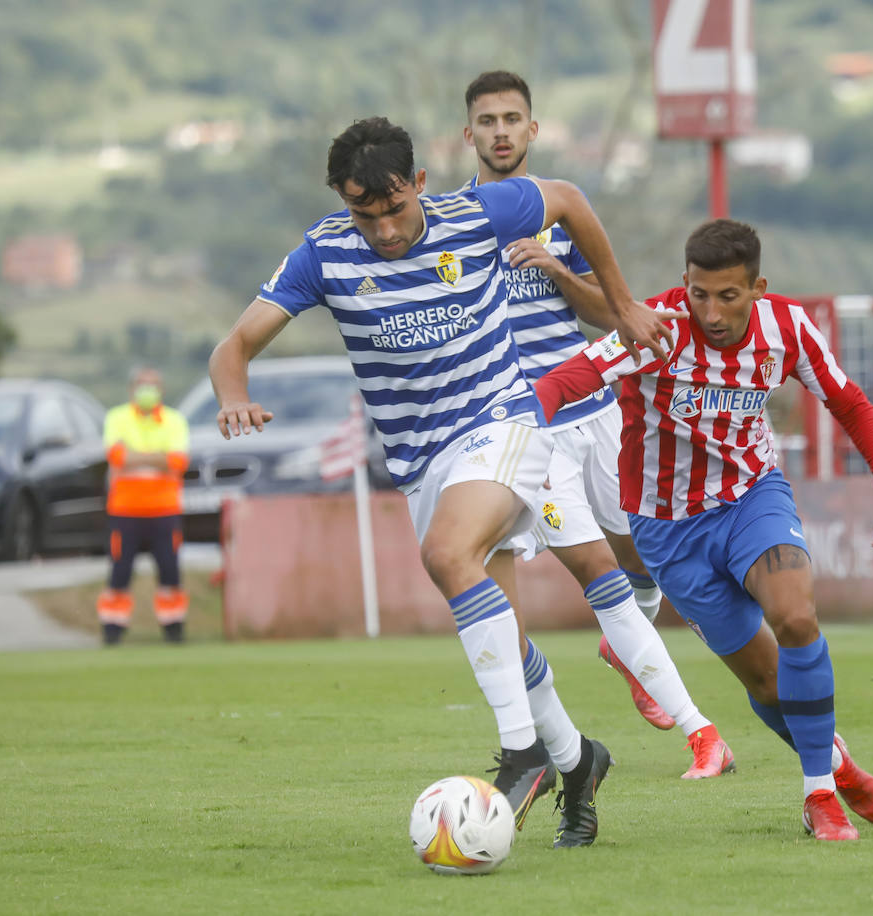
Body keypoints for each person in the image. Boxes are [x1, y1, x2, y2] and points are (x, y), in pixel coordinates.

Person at [207, 116, 676, 849]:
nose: (385, 229)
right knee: (504, 631)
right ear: (342, 200)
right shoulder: (324, 253)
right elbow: (234, 346)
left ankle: (521, 753)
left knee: (448, 555)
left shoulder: (477, 213)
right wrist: (233, 396)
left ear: (419, 183)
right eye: (366, 214)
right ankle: (577, 761)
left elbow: (572, 201)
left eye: (395, 208)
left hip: (506, 421)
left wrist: (619, 304)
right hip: (424, 462)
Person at [532, 219, 873, 841]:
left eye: (728, 296)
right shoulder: (655, 326)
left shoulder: (788, 328)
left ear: (758, 288)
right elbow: (568, 379)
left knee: (796, 618)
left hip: (751, 497)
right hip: (667, 529)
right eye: (698, 293)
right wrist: (521, 426)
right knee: (767, 680)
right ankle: (839, 765)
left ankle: (817, 796)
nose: (710, 312)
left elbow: (850, 402)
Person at [461, 70, 734, 779]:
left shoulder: (559, 214)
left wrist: (554, 266)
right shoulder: (454, 225)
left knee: (648, 561)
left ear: (532, 130)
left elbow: (606, 312)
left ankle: (627, 648)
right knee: (602, 575)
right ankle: (699, 732)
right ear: (469, 135)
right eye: (486, 120)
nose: (499, 131)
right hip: (530, 431)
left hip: (600, 412)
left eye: (511, 118)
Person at [96, 367, 191, 646]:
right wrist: (157, 457)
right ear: (131, 389)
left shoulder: (174, 420)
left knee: (170, 572)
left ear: (161, 391)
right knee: (119, 573)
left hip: (164, 510)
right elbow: (115, 456)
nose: (147, 391)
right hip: (125, 510)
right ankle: (112, 632)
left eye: (153, 386)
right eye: (141, 385)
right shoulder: (117, 417)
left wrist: (134, 456)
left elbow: (177, 462)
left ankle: (174, 630)